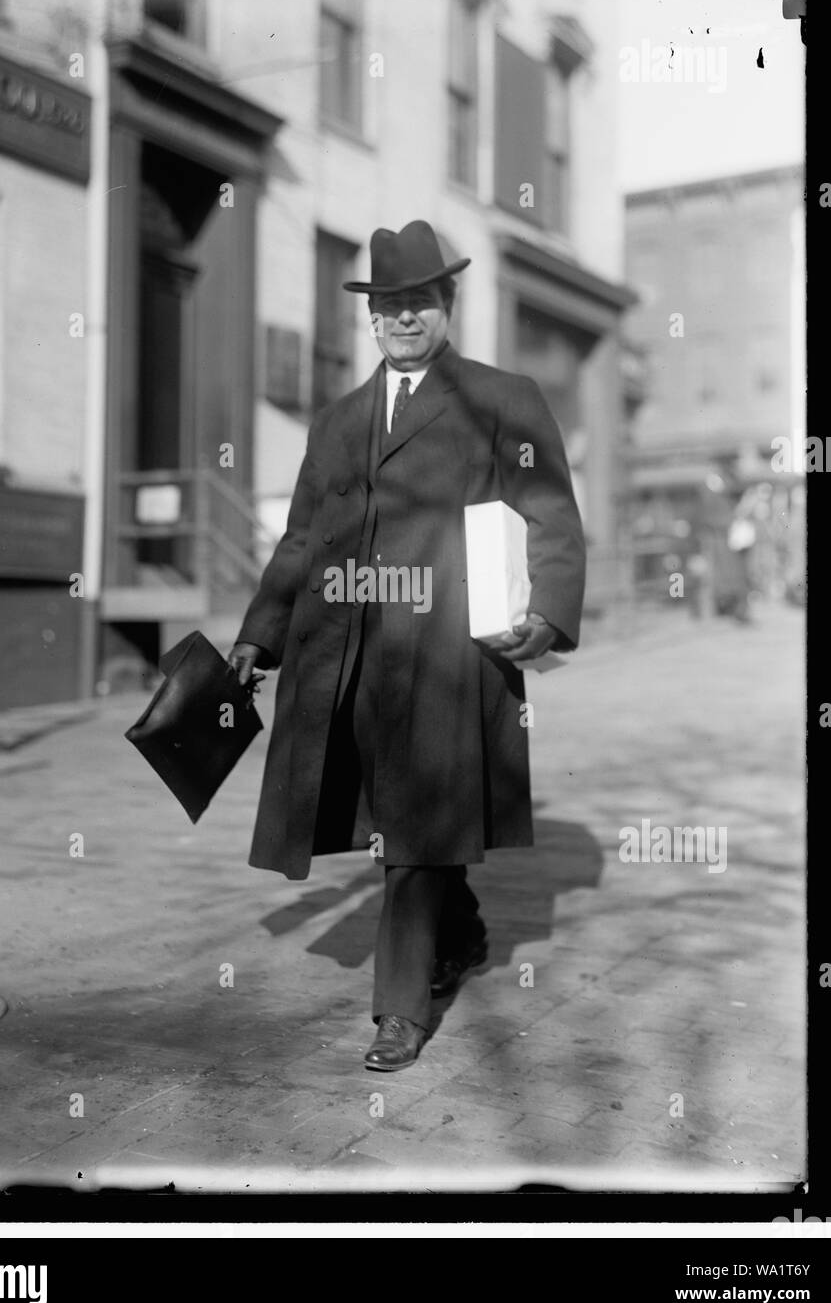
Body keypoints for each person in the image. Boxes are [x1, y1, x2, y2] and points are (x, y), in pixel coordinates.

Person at [228, 221, 586, 1072]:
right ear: (371, 319)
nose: (403, 320)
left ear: (447, 306)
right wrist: (257, 637)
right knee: (404, 821)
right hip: (344, 653)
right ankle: (457, 933)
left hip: (446, 660)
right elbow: (299, 542)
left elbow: (552, 515)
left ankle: (398, 1010)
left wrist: (550, 611)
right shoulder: (339, 421)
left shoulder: (503, 400)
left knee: (417, 826)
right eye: (388, 307)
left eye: (419, 303)